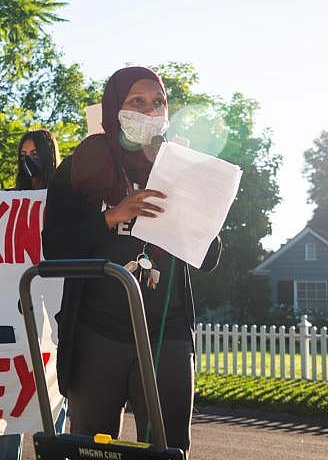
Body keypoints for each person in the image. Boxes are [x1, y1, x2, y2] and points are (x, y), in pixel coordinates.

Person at [41, 67, 222, 459]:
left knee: (168, 448)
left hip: (166, 334)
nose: (149, 111)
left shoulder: (178, 168)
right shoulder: (79, 169)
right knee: (91, 447)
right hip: (96, 331)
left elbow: (208, 257)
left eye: (158, 103)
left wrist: (191, 191)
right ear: (113, 108)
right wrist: (110, 216)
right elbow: (53, 248)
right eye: (136, 102)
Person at [0, 129, 64, 460]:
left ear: (49, 156)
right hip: (16, 311)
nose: (28, 161)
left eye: (34, 154)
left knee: (52, 394)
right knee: (12, 398)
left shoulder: (65, 198)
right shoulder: (10, 198)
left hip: (54, 308)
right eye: (23, 155)